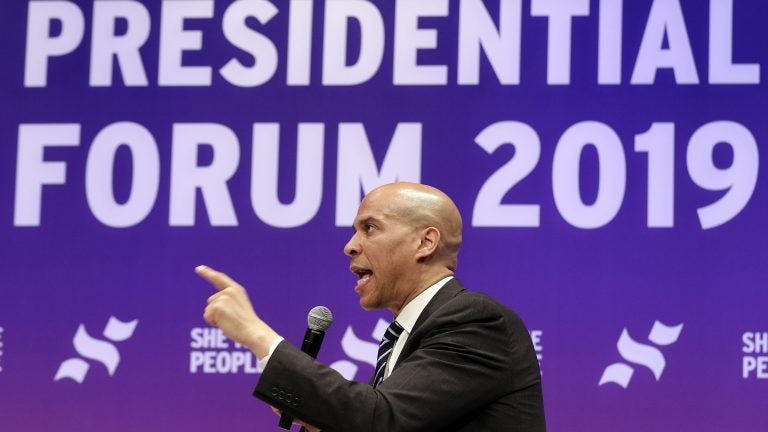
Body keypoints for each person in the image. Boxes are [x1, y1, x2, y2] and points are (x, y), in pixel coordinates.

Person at [197, 182, 545, 431]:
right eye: (354, 231)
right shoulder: (405, 336)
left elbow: (383, 419)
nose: (350, 246)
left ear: (425, 242)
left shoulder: (477, 322)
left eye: (370, 228)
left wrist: (254, 334)